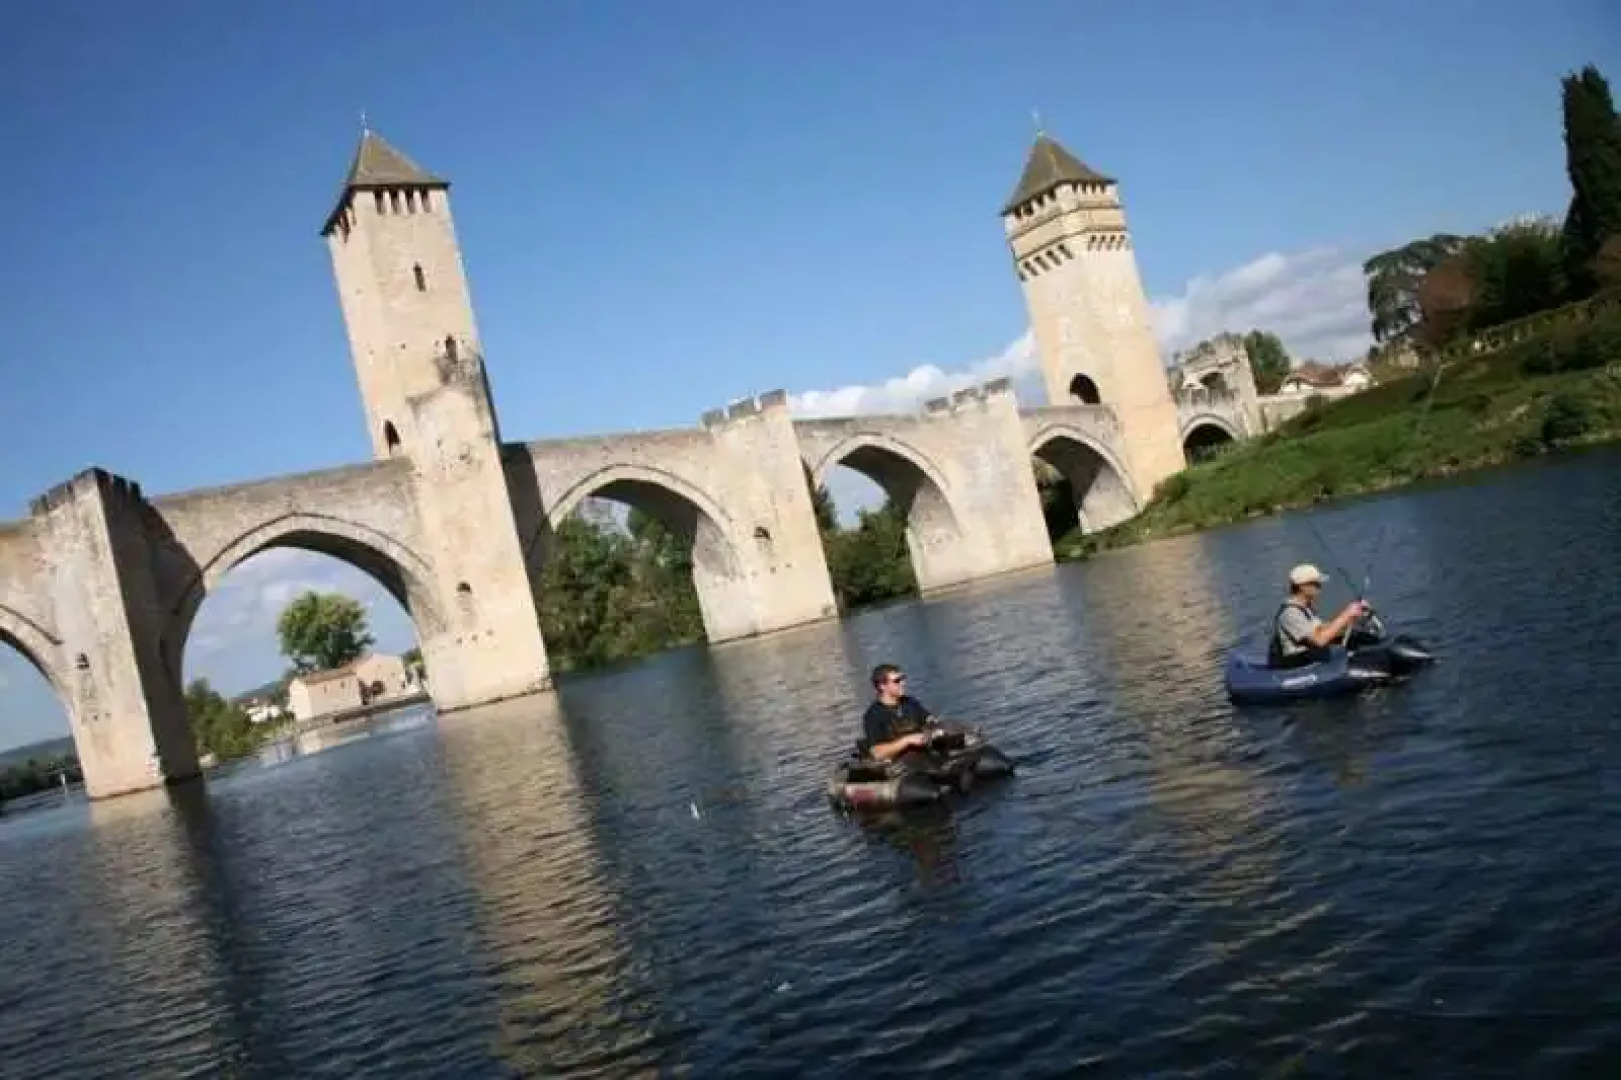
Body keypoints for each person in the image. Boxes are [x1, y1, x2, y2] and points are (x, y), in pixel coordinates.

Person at [1269, 563, 1370, 668]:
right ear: (1302, 586)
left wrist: (1353, 618)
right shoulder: (1290, 613)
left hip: (1309, 659)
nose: (1320, 587)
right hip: (1296, 667)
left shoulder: (1306, 609)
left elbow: (1321, 630)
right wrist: (1346, 614)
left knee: (1357, 638)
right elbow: (1319, 640)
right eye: (1316, 584)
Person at [861, 663, 940, 761]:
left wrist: (933, 727)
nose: (903, 683)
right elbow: (877, 753)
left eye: (903, 678)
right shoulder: (873, 715)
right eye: (897, 681)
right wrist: (907, 740)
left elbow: (929, 719)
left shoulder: (910, 702)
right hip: (899, 764)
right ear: (882, 686)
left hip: (925, 755)